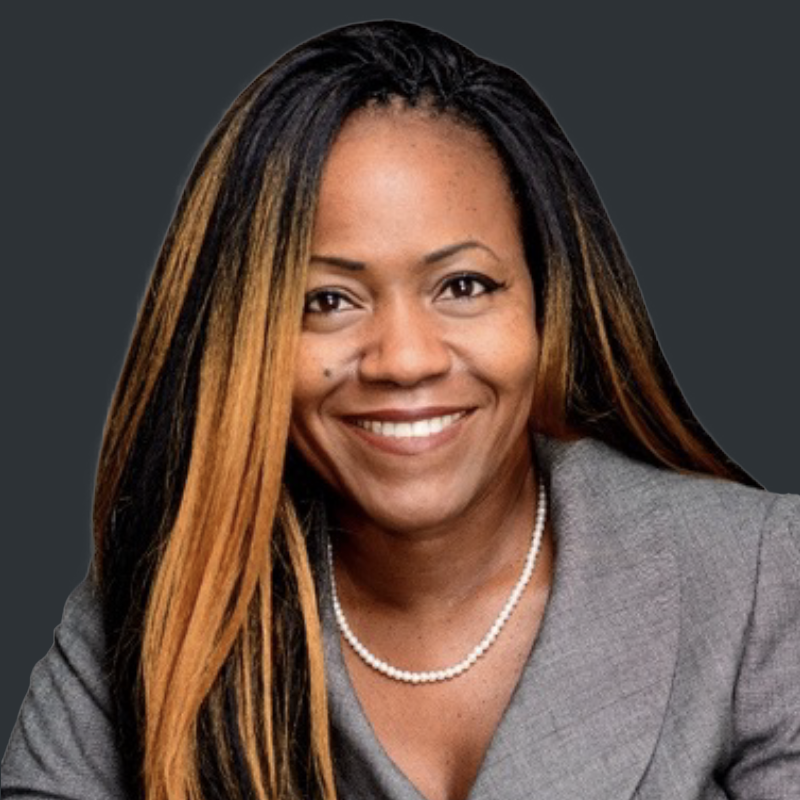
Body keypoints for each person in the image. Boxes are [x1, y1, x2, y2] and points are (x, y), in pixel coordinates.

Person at [2, 19, 798, 800]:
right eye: (328, 300)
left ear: (546, 306)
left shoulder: (758, 576)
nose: (405, 359)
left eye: (464, 286)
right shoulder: (158, 602)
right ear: (244, 335)